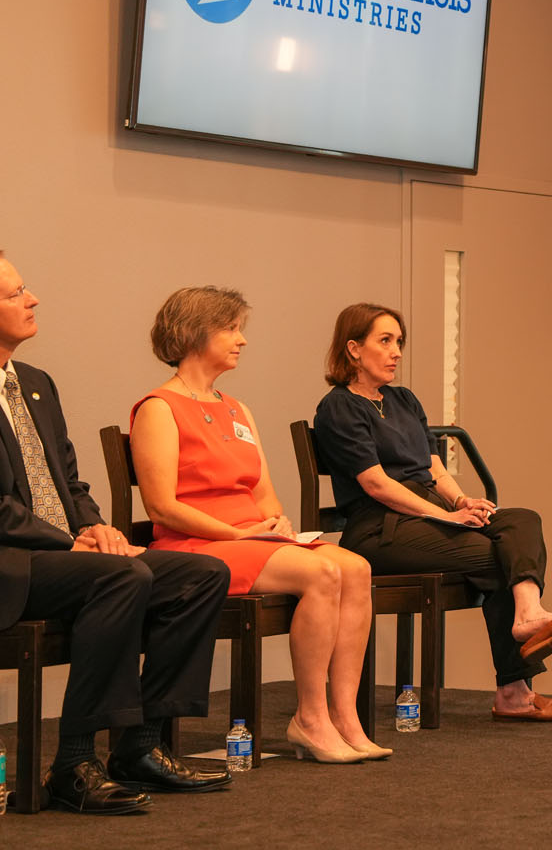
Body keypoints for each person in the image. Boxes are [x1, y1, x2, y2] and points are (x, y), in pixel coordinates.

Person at [0, 254, 231, 813]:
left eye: (26, 287)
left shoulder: (34, 383)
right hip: (12, 560)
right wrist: (70, 542)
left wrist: (96, 526)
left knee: (201, 574)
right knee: (120, 576)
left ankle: (141, 747)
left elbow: (70, 482)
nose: (33, 299)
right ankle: (74, 762)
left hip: (63, 554)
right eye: (16, 293)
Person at [130, 287, 384, 764]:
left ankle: (344, 715)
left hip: (254, 537)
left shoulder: (236, 408)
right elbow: (162, 507)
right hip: (198, 544)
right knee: (322, 573)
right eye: (230, 329)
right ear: (192, 334)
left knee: (356, 568)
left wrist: (278, 523)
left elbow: (263, 491)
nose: (241, 340)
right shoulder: (159, 408)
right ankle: (309, 718)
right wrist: (239, 534)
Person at [313, 303, 552, 723]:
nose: (396, 352)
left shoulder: (403, 400)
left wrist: (462, 501)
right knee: (494, 556)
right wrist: (444, 517)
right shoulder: (338, 407)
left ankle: (527, 614)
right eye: (385, 341)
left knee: (522, 520)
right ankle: (515, 689)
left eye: (399, 343)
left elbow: (433, 467)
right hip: (380, 529)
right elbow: (376, 484)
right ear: (353, 349)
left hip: (426, 514)